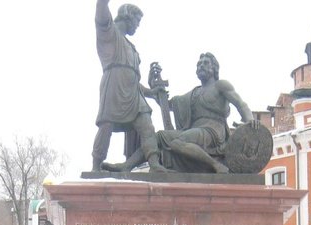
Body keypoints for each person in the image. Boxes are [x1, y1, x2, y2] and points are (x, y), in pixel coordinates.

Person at [106, 52, 257, 174]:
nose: (201, 66)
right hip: (196, 131)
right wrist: (155, 88)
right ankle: (127, 166)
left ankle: (216, 165)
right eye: (199, 64)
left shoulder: (221, 85)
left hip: (213, 132)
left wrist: (250, 120)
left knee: (177, 142)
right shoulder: (193, 94)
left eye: (205, 63)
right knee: (158, 136)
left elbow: (241, 104)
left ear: (214, 68)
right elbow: (168, 105)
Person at [91, 1, 164, 172]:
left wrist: (151, 92)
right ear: (128, 16)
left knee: (147, 125)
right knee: (106, 125)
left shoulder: (132, 48)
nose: (137, 26)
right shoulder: (109, 32)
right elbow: (101, 12)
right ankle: (96, 166)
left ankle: (154, 163)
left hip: (134, 94)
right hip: (114, 87)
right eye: (137, 21)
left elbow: (133, 81)